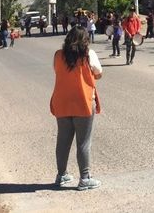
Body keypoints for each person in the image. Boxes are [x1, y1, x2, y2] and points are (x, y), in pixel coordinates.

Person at [50, 26, 103, 191]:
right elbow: (99, 73)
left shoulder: (58, 55)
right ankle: (85, 178)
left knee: (63, 141)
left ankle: (61, 175)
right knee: (83, 143)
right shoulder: (88, 55)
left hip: (62, 102)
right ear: (85, 40)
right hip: (83, 102)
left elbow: (57, 71)